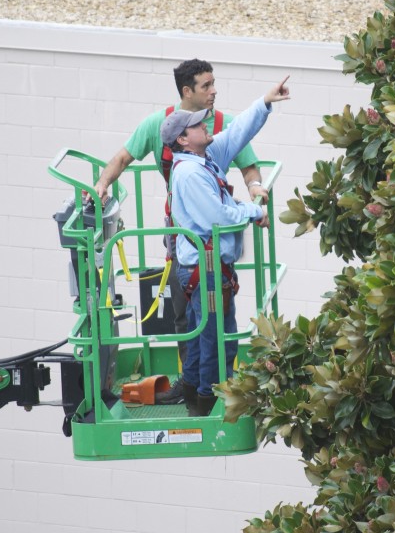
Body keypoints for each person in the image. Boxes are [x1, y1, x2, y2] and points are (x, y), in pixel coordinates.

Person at [91, 59, 269, 405]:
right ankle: (203, 392)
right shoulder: (171, 136)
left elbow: (243, 150)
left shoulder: (209, 137)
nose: (214, 91)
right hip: (195, 241)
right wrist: (101, 184)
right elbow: (124, 158)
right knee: (200, 323)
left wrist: (265, 105)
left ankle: (196, 386)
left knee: (207, 323)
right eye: (207, 85)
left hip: (199, 241)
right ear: (187, 92)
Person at [162, 76, 290, 416]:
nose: (204, 124)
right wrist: (254, 211)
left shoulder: (203, 159)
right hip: (204, 269)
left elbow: (236, 134)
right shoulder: (190, 174)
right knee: (217, 338)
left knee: (202, 332)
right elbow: (217, 217)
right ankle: (208, 400)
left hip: (205, 268)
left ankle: (194, 391)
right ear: (183, 139)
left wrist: (265, 101)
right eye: (196, 125)